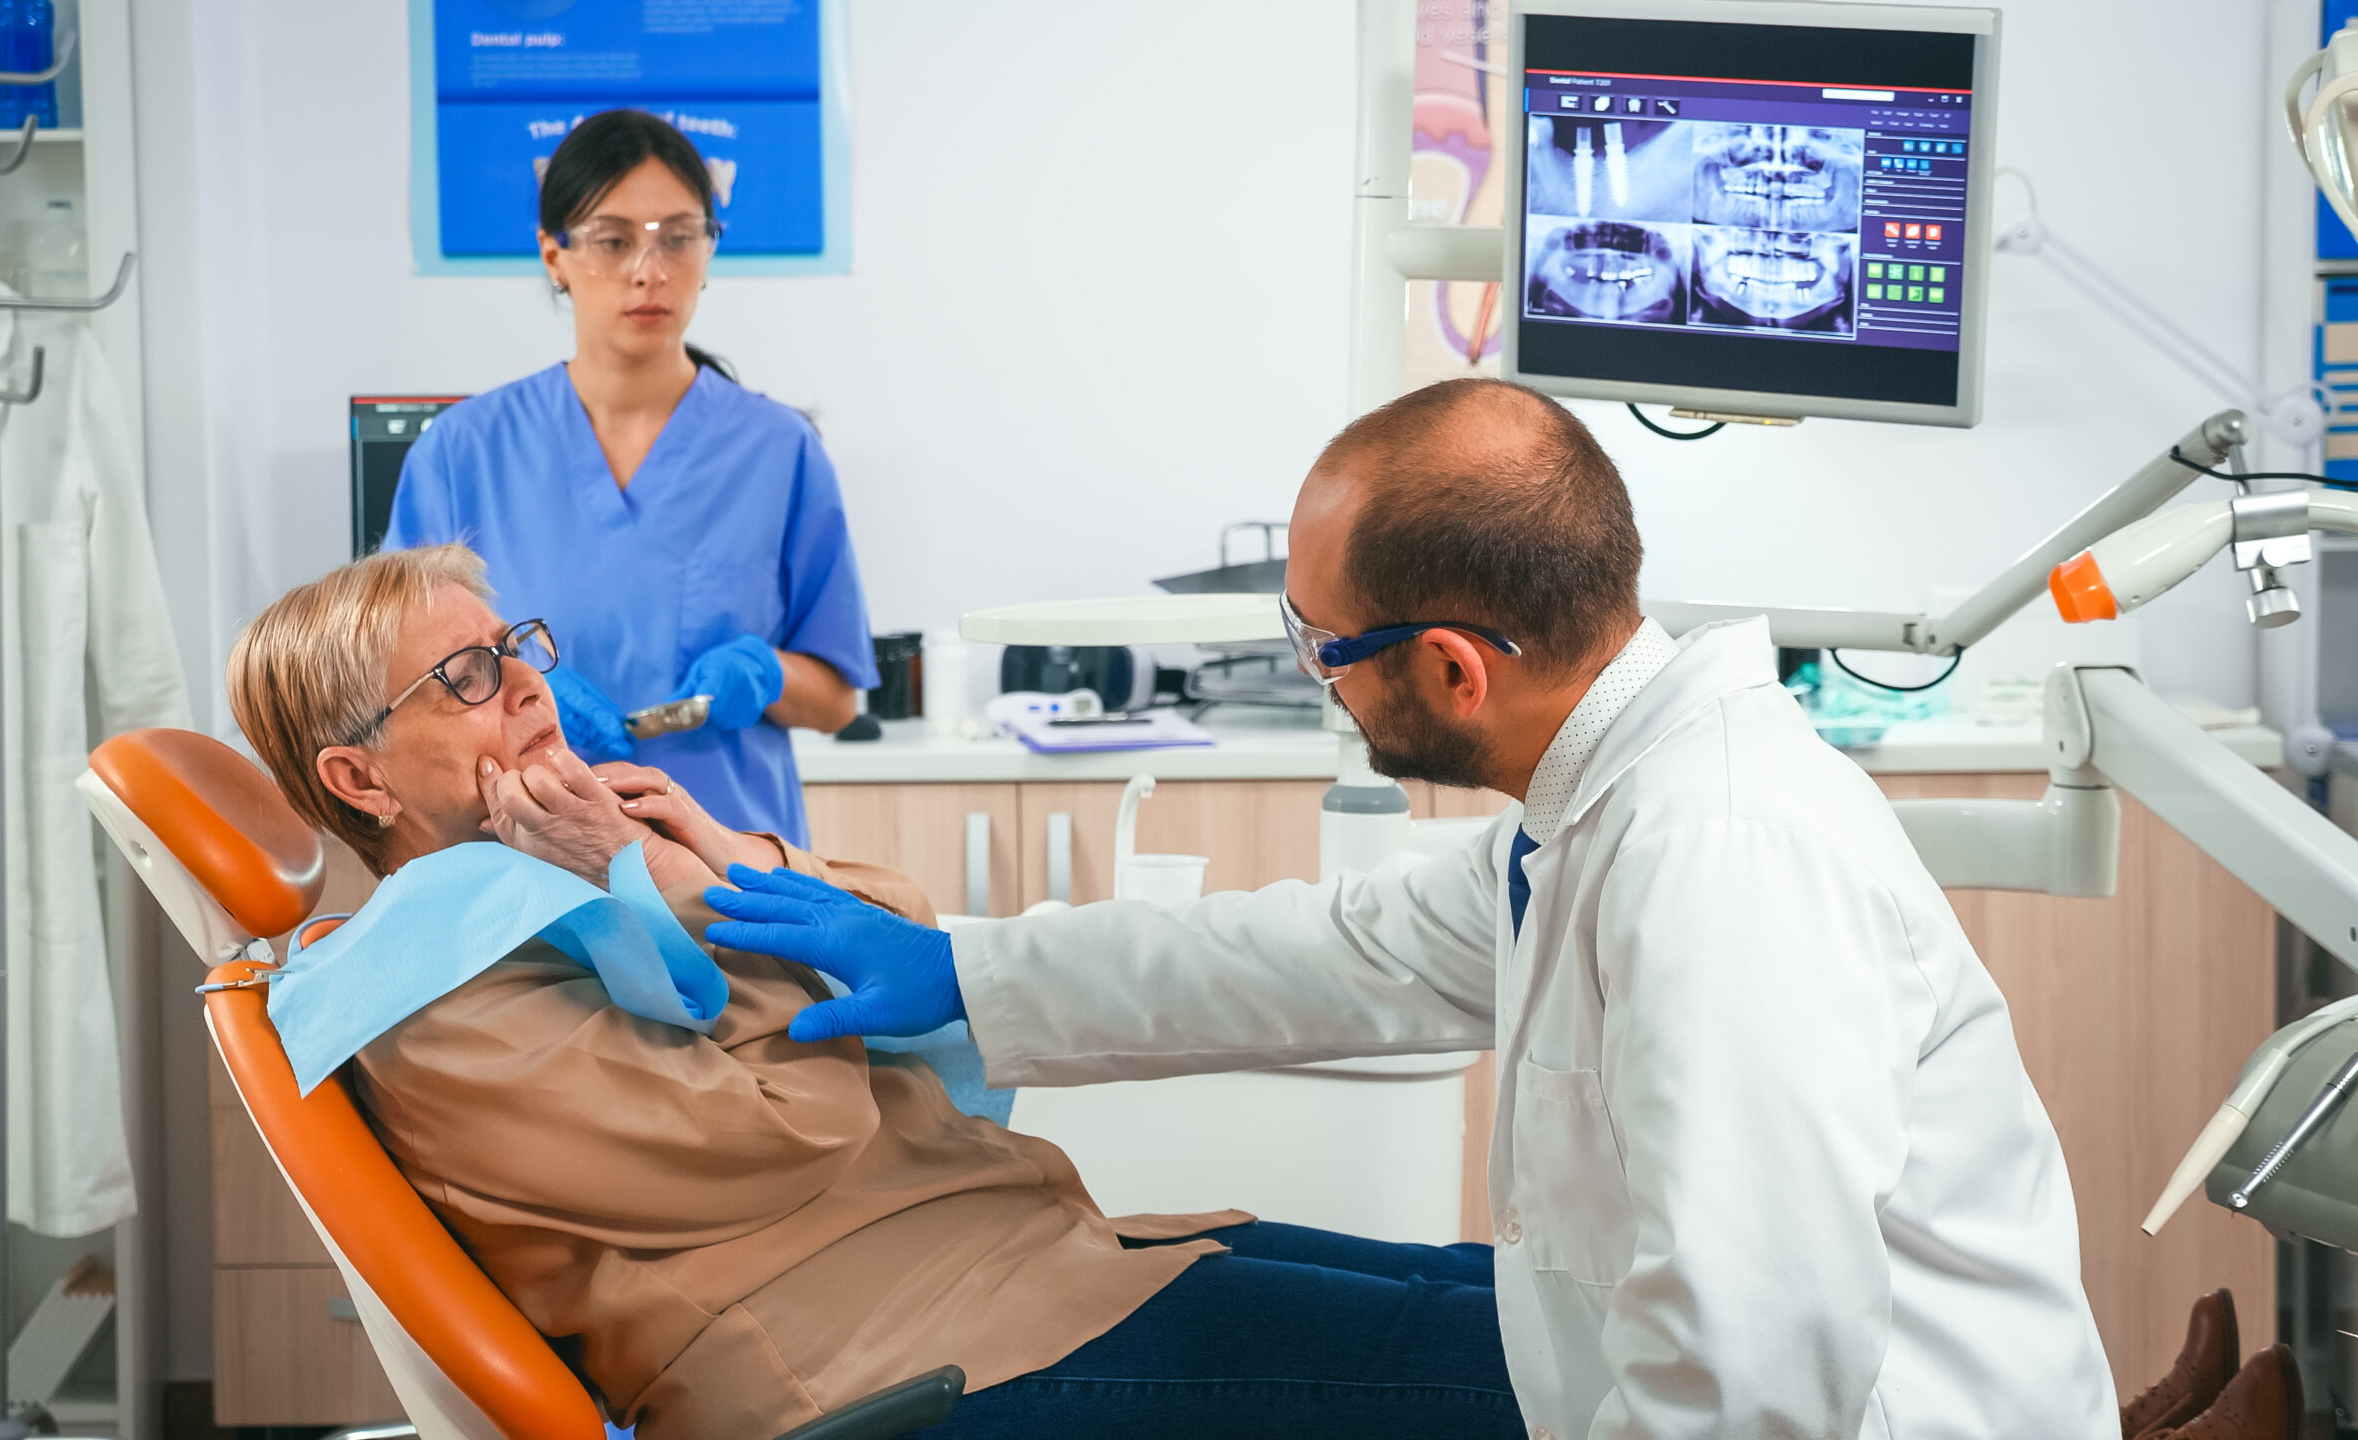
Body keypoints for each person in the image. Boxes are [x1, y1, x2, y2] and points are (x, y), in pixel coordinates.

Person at [707, 378, 2127, 1438]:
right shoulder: (1602, 799)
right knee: (1228, 1262)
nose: (1316, 673)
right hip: (1611, 1342)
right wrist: (967, 967)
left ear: (1453, 670)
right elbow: (1336, 952)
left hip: (1865, 1413)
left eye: (1323, 647)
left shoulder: (1720, 857)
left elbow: (1753, 1374)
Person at [225, 543, 1524, 1440]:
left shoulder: (575, 863)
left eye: (511, 645)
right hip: (890, 1370)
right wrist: (664, 891)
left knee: (1514, 1301)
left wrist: (731, 861)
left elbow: (912, 953)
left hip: (1023, 1260)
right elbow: (780, 1135)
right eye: (461, 677)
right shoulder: (428, 997)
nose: (522, 682)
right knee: (1526, 1382)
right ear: (360, 781)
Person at [382, 109, 872, 847]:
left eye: (679, 237)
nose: (650, 269)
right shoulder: (461, 453)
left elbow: (837, 700)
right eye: (613, 241)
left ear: (709, 250)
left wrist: (767, 673)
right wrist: (512, 688)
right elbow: (395, 692)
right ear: (554, 254)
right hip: (526, 869)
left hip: (731, 872)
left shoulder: (779, 451)